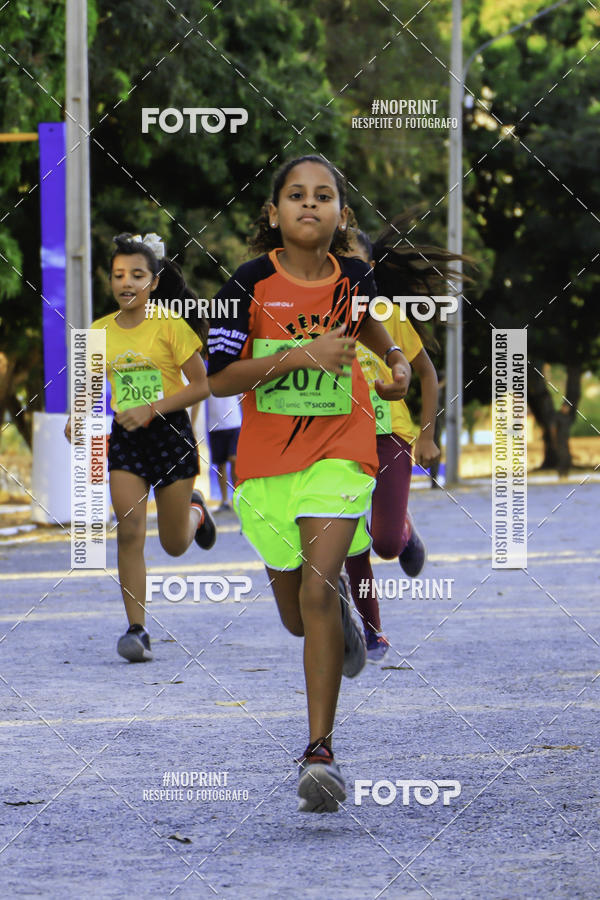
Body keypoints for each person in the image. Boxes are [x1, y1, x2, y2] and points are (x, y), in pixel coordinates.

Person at [207, 155, 412, 813]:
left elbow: (366, 326)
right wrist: (302, 355)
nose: (309, 204)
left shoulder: (354, 277)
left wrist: (397, 358)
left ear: (341, 217)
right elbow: (221, 378)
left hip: (339, 451)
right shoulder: (246, 285)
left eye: (324, 196)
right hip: (267, 465)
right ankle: (339, 626)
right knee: (299, 617)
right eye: (295, 195)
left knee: (321, 589)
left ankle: (319, 751)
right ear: (273, 214)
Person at [65, 233, 216, 662]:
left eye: (136, 275)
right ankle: (137, 630)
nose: (125, 282)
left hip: (169, 436)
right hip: (127, 439)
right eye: (118, 275)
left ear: (153, 282)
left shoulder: (170, 325)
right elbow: (93, 384)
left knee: (173, 544)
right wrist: (79, 414)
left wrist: (152, 408)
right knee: (129, 532)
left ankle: (195, 512)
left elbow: (202, 386)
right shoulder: (99, 331)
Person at [343, 224, 442, 662]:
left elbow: (427, 374)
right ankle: (371, 632)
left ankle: (403, 528)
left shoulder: (390, 314)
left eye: (354, 260)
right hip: (337, 439)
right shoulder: (318, 313)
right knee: (350, 539)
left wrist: (427, 435)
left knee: (383, 543)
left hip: (390, 437)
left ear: (370, 268)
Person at [205, 393, 242, 511]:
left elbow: (241, 397)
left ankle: (237, 496)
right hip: (215, 426)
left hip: (234, 423)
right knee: (220, 465)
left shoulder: (234, 375)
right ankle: (225, 500)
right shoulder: (207, 377)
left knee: (234, 459)